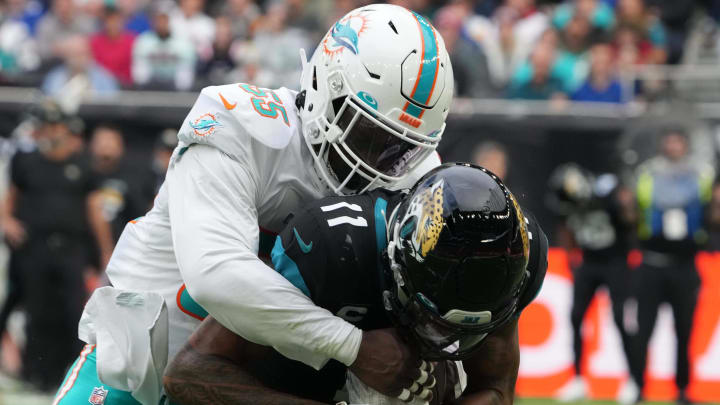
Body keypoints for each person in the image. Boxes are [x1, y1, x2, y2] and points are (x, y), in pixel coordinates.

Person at [53, 4, 454, 405]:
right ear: (324, 86)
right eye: (366, 133)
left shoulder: (416, 176)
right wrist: (355, 347)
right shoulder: (243, 126)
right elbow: (217, 275)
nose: (376, 162)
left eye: (399, 149)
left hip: (251, 388)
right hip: (138, 371)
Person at [163, 163, 549, 405]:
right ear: (399, 261)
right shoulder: (333, 247)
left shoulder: (516, 260)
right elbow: (188, 373)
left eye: (460, 331)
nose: (442, 340)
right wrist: (353, 349)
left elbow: (496, 390)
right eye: (432, 320)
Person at [2, 107, 113, 391]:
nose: (52, 133)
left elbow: (94, 209)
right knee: (37, 311)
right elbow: (11, 196)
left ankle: (69, 372)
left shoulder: (83, 165)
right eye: (47, 127)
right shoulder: (26, 161)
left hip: (71, 248)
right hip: (33, 246)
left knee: (73, 311)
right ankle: (37, 374)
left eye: (57, 128)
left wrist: (105, 251)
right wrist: (6, 221)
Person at [626, 128, 716, 405]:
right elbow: (633, 210)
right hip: (652, 263)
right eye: (670, 142)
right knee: (644, 330)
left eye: (679, 142)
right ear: (663, 145)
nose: (674, 146)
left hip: (685, 265)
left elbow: (711, 212)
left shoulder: (702, 175)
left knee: (685, 330)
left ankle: (682, 390)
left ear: (685, 146)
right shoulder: (647, 174)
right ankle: (638, 388)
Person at [546, 164, 635, 402]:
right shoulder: (567, 203)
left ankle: (632, 379)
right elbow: (564, 227)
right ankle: (577, 378)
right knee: (576, 317)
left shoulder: (606, 189)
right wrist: (571, 257)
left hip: (615, 261)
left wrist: (625, 205)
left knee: (619, 317)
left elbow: (628, 218)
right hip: (589, 262)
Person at [131, 1, 196, 91]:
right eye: (159, 20)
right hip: (150, 87)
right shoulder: (143, 42)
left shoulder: (183, 44)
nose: (162, 23)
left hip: (175, 88)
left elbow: (185, 79)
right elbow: (140, 76)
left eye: (164, 19)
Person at [41, 35, 119, 98]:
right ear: (66, 57)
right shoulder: (54, 78)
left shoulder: (105, 78)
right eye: (75, 54)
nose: (80, 59)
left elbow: (112, 104)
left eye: (83, 54)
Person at [90, 5, 136, 86]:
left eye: (116, 20)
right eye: (110, 20)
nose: (113, 24)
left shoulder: (132, 41)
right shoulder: (95, 42)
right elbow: (94, 67)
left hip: (126, 86)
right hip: (102, 86)